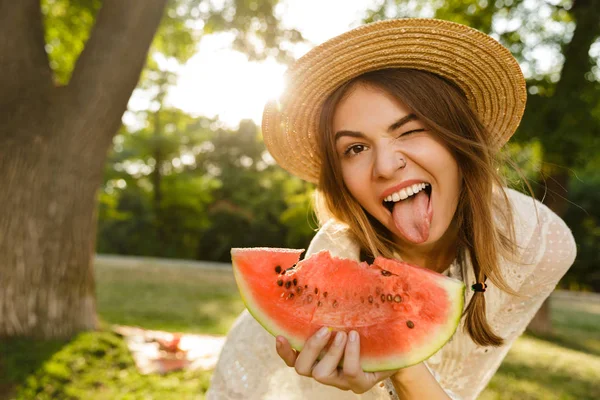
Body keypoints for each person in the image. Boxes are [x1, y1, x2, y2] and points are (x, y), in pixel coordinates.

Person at [206, 18, 577, 400]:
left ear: (459, 139)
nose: (385, 166)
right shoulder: (336, 252)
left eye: (410, 130)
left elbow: (459, 387)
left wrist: (400, 365)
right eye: (355, 148)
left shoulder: (538, 244)